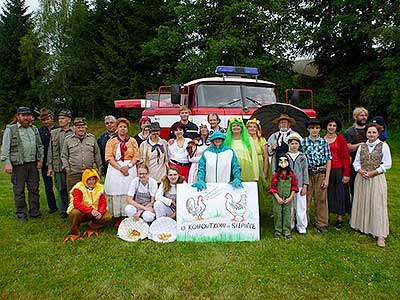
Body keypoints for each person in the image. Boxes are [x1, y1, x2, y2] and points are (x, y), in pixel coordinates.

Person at [350, 123, 392, 248]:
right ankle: (363, 226)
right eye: (369, 132)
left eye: (374, 132)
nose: (371, 134)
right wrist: (360, 170)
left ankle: (380, 234)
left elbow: (387, 164)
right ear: (366, 133)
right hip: (362, 178)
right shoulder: (362, 146)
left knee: (377, 204)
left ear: (378, 133)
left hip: (376, 179)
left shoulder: (383, 146)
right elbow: (356, 162)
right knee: (362, 202)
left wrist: (374, 172)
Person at [1, 107, 44, 222]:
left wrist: (40, 159)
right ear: (18, 116)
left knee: (34, 189)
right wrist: (7, 163)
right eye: (23, 115)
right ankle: (21, 214)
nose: (26, 117)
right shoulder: (10, 130)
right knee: (19, 191)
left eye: (28, 115)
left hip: (33, 164)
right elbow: (5, 148)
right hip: (18, 165)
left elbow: (40, 146)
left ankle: (35, 212)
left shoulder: (34, 129)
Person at [104, 117, 140, 228]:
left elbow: (136, 156)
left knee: (128, 190)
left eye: (125, 127)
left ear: (127, 128)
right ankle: (117, 216)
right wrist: (120, 168)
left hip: (130, 168)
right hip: (116, 168)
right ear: (117, 128)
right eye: (120, 127)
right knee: (116, 190)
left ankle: (128, 214)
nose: (123, 129)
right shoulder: (112, 141)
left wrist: (128, 166)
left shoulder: (132, 141)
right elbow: (109, 157)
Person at [301, 118, 332, 233]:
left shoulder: (324, 142)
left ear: (320, 129)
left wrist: (327, 178)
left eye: (317, 128)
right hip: (308, 173)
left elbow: (329, 159)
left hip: (321, 173)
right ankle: (304, 221)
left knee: (321, 198)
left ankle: (322, 223)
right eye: (312, 128)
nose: (314, 130)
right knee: (306, 198)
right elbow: (300, 160)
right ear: (308, 129)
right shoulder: (303, 142)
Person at [64, 168, 111, 242]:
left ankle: (92, 227)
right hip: (82, 212)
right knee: (75, 212)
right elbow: (77, 204)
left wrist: (100, 212)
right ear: (85, 179)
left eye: (93, 179)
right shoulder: (79, 188)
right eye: (89, 179)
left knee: (107, 216)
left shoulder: (100, 188)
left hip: (94, 213)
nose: (91, 182)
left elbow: (103, 203)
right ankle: (74, 233)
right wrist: (91, 210)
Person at [323, 115, 351, 230]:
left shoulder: (341, 139)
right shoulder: (322, 138)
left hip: (338, 169)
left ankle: (340, 218)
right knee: (327, 193)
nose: (331, 127)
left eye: (334, 125)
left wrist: (346, 174)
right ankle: (326, 216)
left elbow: (345, 157)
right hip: (325, 170)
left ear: (337, 127)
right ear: (326, 126)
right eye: (330, 125)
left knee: (340, 194)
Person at [61, 117, 102, 193]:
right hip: (74, 174)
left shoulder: (92, 139)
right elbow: (64, 156)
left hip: (89, 174)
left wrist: (99, 169)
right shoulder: (68, 140)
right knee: (73, 196)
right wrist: (68, 169)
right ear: (74, 128)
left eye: (83, 127)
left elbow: (97, 155)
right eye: (78, 127)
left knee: (89, 196)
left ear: (86, 127)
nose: (81, 129)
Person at [47, 109, 74, 218]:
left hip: (71, 165)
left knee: (72, 188)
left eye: (63, 118)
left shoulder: (74, 132)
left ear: (69, 120)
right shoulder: (54, 133)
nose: (60, 120)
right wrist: (50, 166)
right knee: (61, 188)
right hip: (58, 165)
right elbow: (50, 151)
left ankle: (73, 208)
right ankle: (63, 210)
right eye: (59, 118)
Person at [269, 154, 299, 239]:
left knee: (287, 214)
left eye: (285, 161)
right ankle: (278, 231)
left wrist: (290, 197)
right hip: (277, 198)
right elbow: (273, 187)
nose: (283, 163)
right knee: (277, 213)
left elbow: (294, 187)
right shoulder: (276, 175)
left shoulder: (291, 175)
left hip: (287, 198)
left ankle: (286, 230)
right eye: (281, 161)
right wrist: (277, 197)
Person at [287, 133, 309, 235]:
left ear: (299, 145)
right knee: (290, 206)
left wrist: (305, 185)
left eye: (296, 143)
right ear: (289, 144)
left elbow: (305, 171)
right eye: (292, 143)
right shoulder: (285, 156)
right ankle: (290, 224)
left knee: (301, 206)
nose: (294, 145)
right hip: (289, 185)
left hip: (300, 185)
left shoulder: (302, 157)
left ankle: (301, 225)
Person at [225, 117, 258, 182]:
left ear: (242, 128)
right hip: (230, 170)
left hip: (246, 170)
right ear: (230, 128)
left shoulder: (249, 140)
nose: (236, 127)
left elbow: (254, 158)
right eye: (233, 126)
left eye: (238, 126)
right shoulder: (225, 141)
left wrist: (255, 176)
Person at [344, 107, 368, 196]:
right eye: (361, 115)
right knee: (355, 189)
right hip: (355, 163)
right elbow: (348, 147)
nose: (364, 117)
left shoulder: (370, 130)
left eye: (365, 115)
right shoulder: (349, 132)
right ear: (355, 117)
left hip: (369, 163)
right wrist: (360, 145)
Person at [38, 108, 58, 214]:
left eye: (48, 119)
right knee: (48, 185)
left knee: (61, 185)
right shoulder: (40, 131)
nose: (46, 121)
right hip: (45, 161)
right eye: (44, 120)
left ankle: (65, 205)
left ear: (52, 118)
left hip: (58, 161)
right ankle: (52, 206)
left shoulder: (59, 129)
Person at [246, 118, 269, 201]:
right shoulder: (245, 141)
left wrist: (265, 171)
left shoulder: (262, 140)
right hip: (249, 165)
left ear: (257, 129)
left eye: (254, 127)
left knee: (261, 187)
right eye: (250, 127)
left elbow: (266, 157)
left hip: (260, 165)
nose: (252, 129)